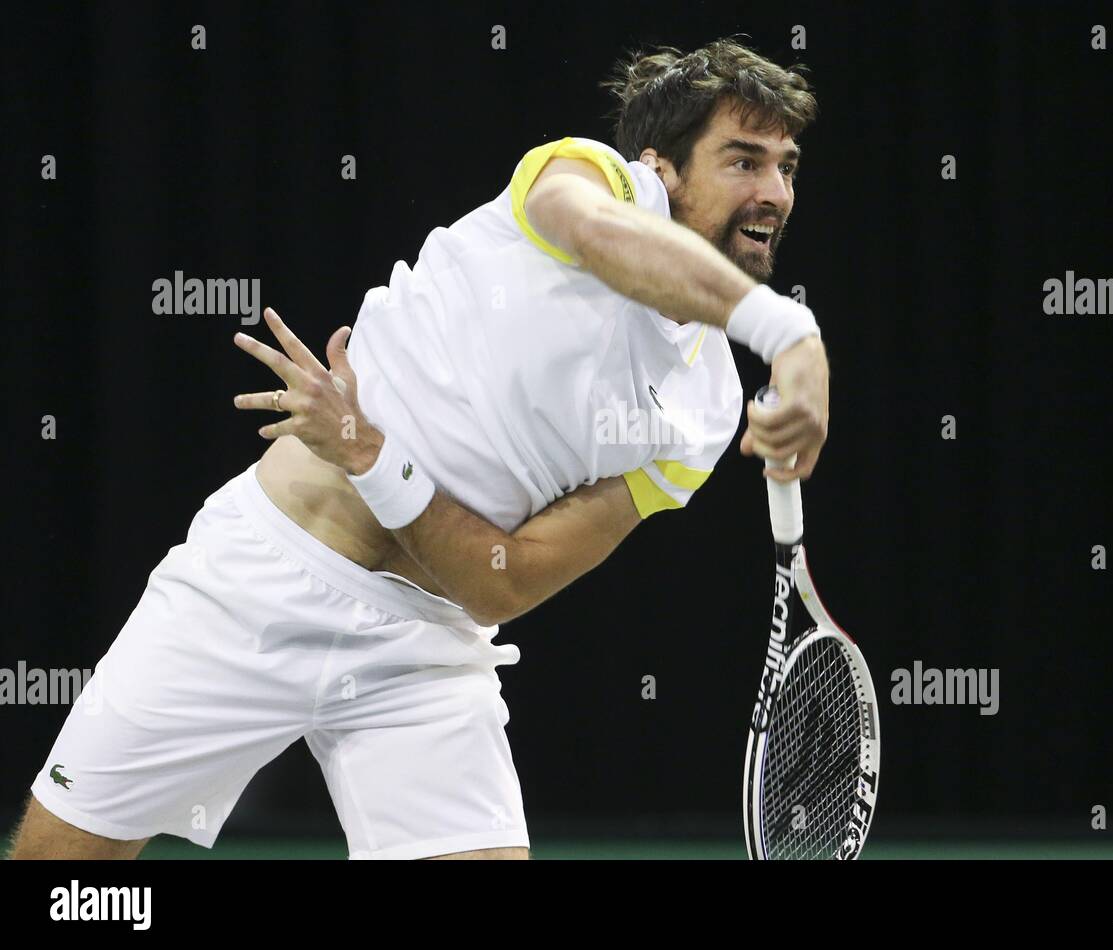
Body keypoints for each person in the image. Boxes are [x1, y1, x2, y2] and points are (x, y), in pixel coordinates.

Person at [12, 38, 829, 860]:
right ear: (657, 169)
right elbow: (601, 234)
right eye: (743, 161)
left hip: (424, 644)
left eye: (786, 167)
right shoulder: (579, 179)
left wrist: (374, 457)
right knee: (62, 877)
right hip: (258, 577)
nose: (775, 193)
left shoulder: (708, 404)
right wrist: (785, 331)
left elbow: (502, 581)